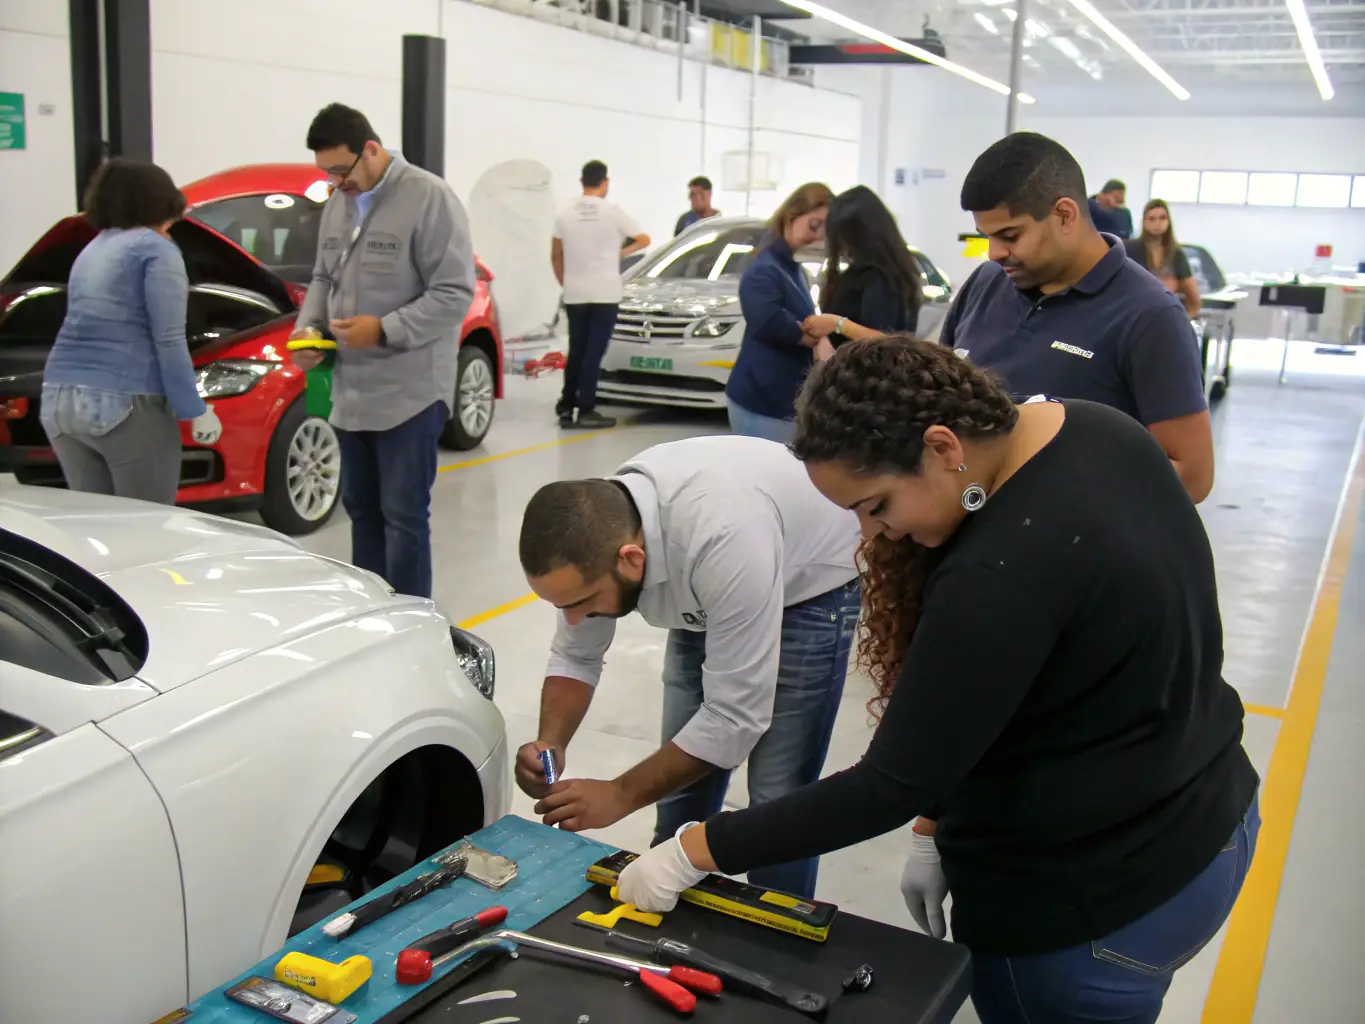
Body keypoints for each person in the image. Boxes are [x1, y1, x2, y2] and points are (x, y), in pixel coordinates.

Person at [617, 338, 1260, 1024]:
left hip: (1092, 905)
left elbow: (888, 785)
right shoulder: (1098, 427)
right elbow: (1040, 678)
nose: (873, 534)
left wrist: (693, 849)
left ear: (943, 446)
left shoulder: (996, 574)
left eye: (877, 504)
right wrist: (939, 821)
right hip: (1209, 819)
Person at [515, 434, 862, 899]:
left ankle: (780, 941)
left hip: (808, 588)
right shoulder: (600, 535)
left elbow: (736, 718)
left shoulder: (724, 534)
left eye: (580, 602)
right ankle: (665, 903)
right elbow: (576, 653)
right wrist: (550, 740)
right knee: (679, 787)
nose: (573, 619)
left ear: (632, 560)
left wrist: (619, 794)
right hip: (713, 582)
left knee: (780, 799)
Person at [942, 132, 1213, 504]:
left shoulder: (1150, 316)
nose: (994, 253)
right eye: (985, 236)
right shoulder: (984, 283)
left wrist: (1052, 499)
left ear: (1065, 215)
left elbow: (1192, 476)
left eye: (1009, 235)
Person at [290, 103, 474, 600]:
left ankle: (412, 623)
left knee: (404, 517)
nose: (335, 182)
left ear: (371, 150)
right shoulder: (339, 202)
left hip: (408, 395)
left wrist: (386, 329)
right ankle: (371, 616)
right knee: (362, 514)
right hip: (350, 393)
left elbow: (455, 292)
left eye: (340, 170)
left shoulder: (428, 198)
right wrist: (308, 329)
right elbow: (324, 276)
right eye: (326, 172)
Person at [40, 158, 222, 504]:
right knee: (145, 528)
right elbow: (168, 339)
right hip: (124, 399)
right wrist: (193, 408)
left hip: (59, 401)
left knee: (95, 530)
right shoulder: (156, 249)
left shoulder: (92, 249)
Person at [725, 182, 834, 444]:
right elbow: (770, 322)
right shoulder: (764, 269)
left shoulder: (792, 269)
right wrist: (818, 336)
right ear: (791, 215)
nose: (819, 236)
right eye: (814, 225)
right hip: (761, 401)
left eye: (825, 229)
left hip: (780, 399)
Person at [551, 160, 652, 430]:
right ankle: (586, 410)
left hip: (575, 292)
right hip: (605, 292)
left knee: (577, 350)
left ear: (581, 181)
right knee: (594, 353)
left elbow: (555, 254)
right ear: (604, 182)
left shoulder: (564, 212)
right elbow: (644, 239)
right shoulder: (612, 212)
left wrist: (566, 281)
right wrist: (619, 253)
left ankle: (565, 406)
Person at [801, 184, 924, 346]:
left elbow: (884, 342)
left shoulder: (879, 277)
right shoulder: (896, 272)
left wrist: (837, 324)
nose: (842, 247)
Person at [1126, 199, 1201, 319]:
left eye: (1162, 218)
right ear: (1144, 222)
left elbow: (1194, 303)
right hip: (1135, 316)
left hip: (1166, 317)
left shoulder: (1177, 254)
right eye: (1151, 219)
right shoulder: (1130, 250)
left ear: (1168, 222)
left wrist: (1181, 323)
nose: (1157, 223)